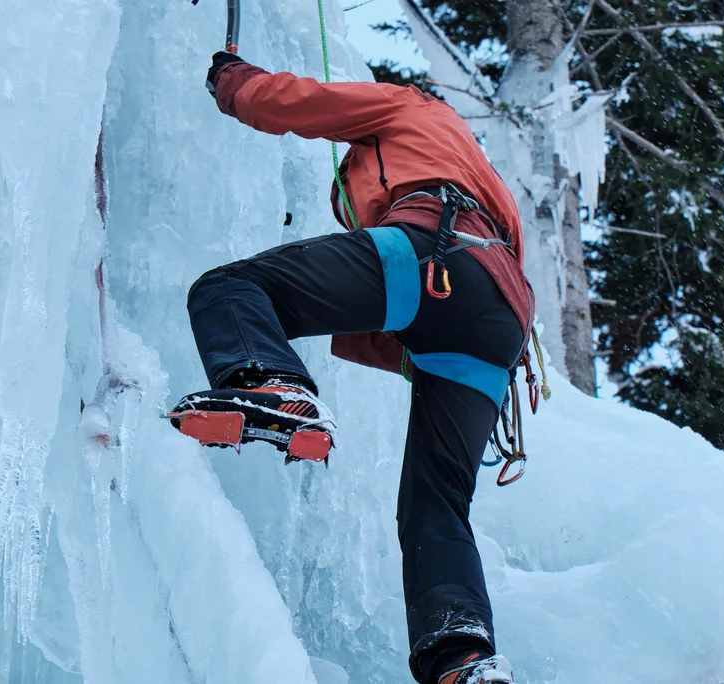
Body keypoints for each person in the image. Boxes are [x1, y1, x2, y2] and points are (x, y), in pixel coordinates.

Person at [174, 50, 535, 684]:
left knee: (228, 290)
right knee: (435, 506)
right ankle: (463, 661)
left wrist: (235, 83)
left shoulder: (412, 106)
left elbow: (296, 103)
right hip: (496, 327)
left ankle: (271, 384)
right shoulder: (487, 179)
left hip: (436, 256)